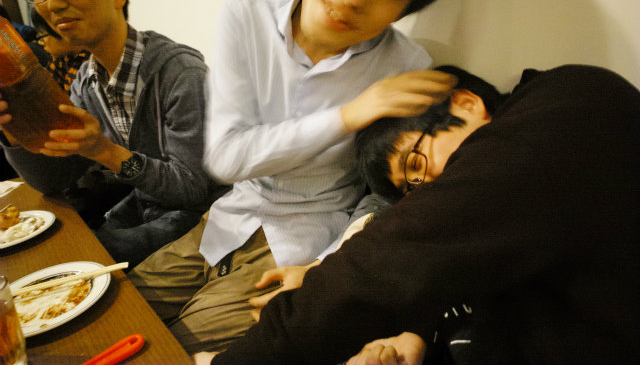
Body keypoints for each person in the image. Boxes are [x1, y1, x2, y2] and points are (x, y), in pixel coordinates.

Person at [129, 0, 465, 355]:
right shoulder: (247, 17)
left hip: (295, 245)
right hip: (222, 222)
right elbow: (227, 157)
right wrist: (349, 115)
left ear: (405, 8)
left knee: (167, 350)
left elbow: (387, 192)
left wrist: (324, 270)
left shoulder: (407, 67)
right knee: (117, 309)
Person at [206, 64, 640, 365]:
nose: (429, 188)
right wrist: (415, 337)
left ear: (466, 104)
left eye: (416, 162)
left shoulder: (568, 107)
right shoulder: (508, 219)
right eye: (413, 189)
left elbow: (394, 257)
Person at [0, 0, 228, 267]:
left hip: (203, 221)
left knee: (74, 259)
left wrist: (105, 151)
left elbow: (192, 191)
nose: (51, 4)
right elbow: (54, 179)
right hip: (145, 210)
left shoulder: (181, 74)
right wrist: (13, 129)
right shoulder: (87, 80)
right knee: (53, 253)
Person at [30, 8, 90, 93]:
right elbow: (47, 87)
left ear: (63, 31)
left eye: (41, 35)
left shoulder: (88, 63)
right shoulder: (61, 56)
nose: (40, 42)